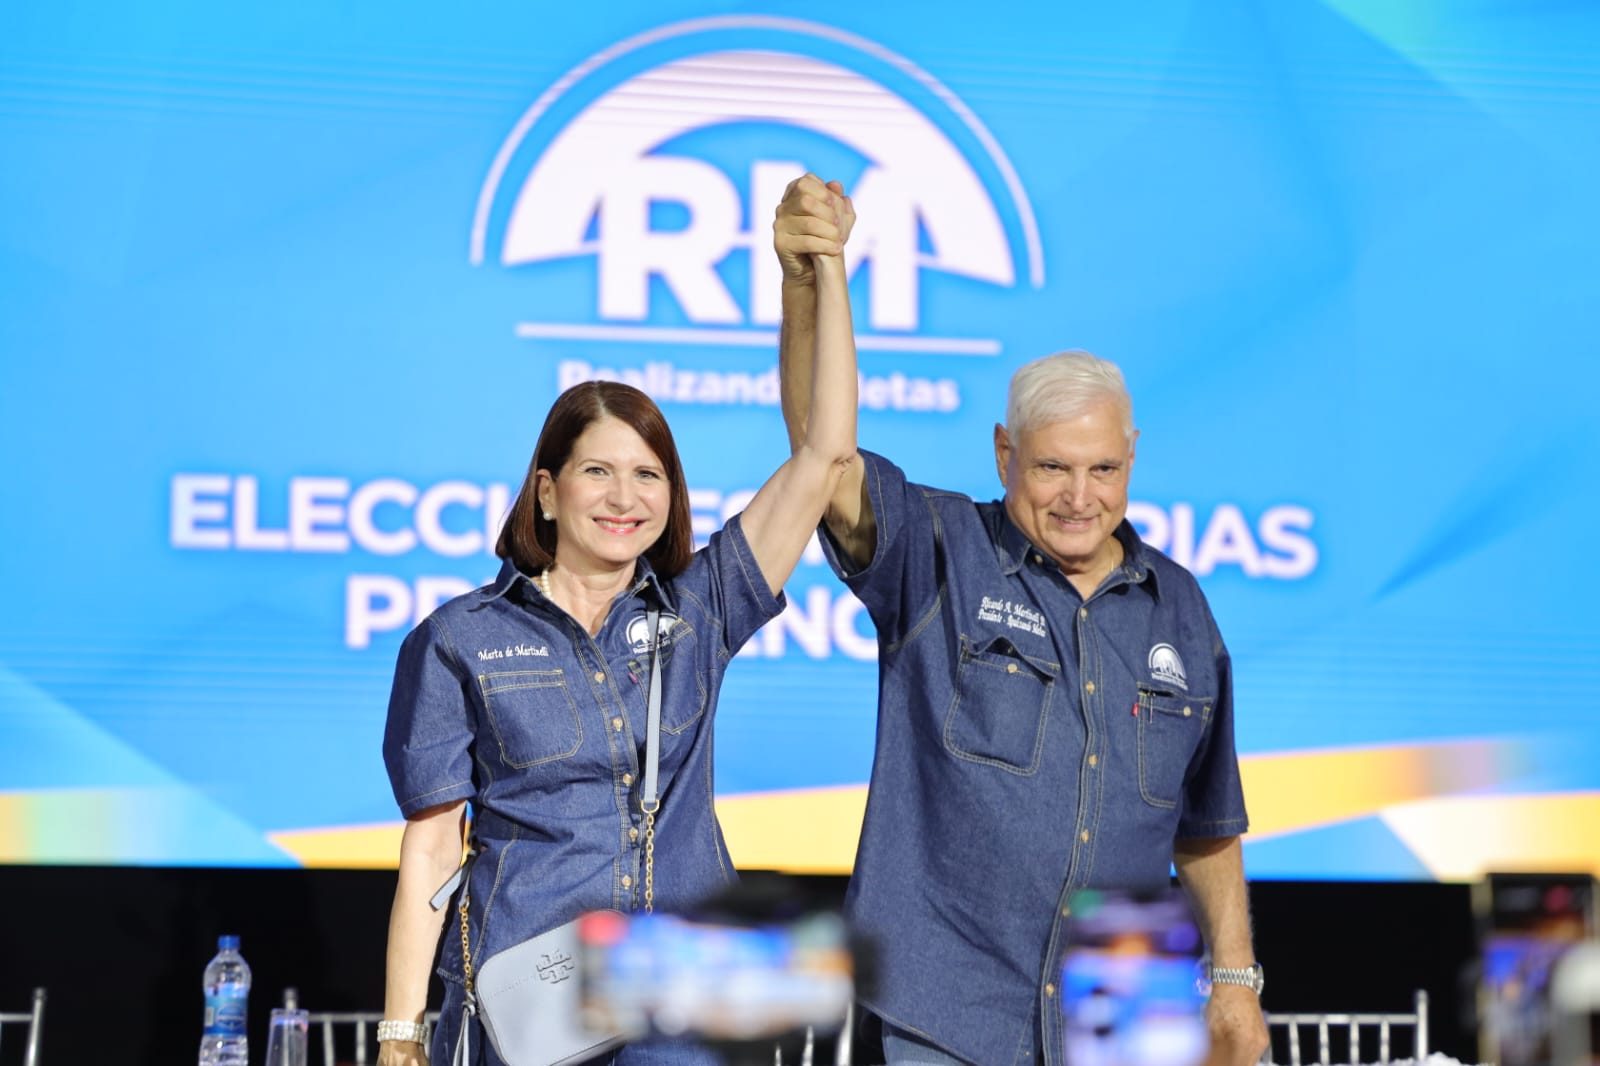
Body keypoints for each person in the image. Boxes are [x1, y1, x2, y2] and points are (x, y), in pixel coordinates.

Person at [773, 175, 1270, 1066]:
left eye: (1103, 470)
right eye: (1051, 468)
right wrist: (809, 278)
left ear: (1132, 459)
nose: (1080, 497)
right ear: (1004, 453)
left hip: (1119, 1026)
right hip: (946, 1015)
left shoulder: (1183, 608)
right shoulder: (937, 551)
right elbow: (823, 452)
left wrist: (1234, 984)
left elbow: (1208, 827)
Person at [375, 177, 858, 1066]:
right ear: (547, 491)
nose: (624, 497)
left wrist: (821, 270)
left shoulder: (703, 607)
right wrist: (401, 1034)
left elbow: (825, 454)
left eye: (648, 475)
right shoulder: (459, 639)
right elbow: (433, 848)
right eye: (597, 472)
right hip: (533, 1003)